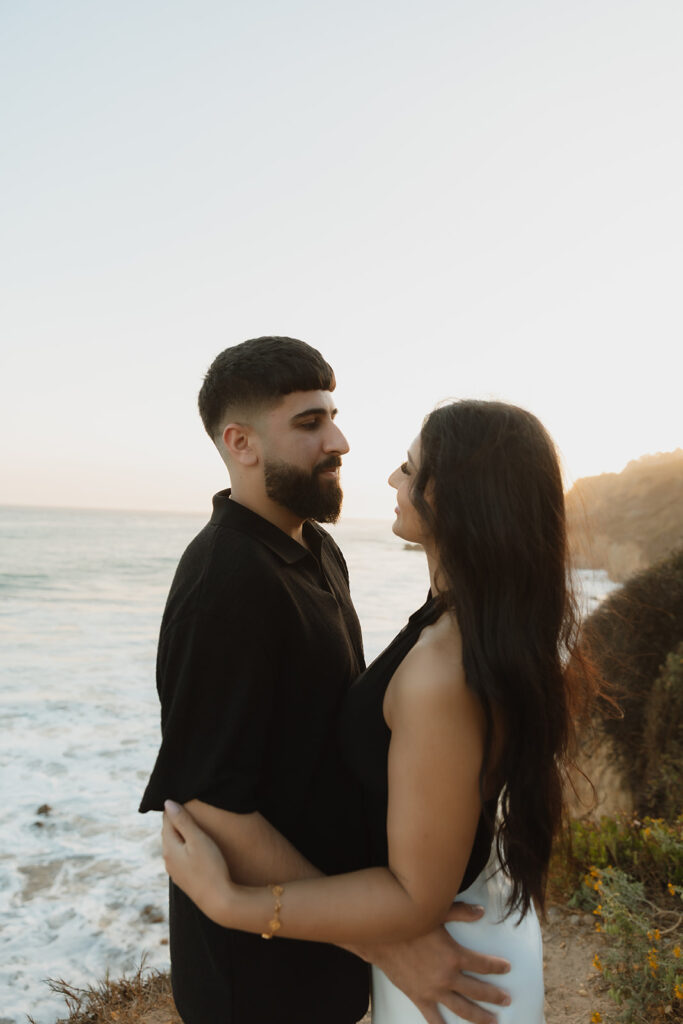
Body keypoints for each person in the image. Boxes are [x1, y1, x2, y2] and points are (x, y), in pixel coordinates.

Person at [161, 397, 595, 1023]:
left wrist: (231, 902)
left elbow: (415, 900)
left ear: (456, 497)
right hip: (471, 940)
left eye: (409, 468)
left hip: (460, 969)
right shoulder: (472, 623)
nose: (392, 479)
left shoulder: (441, 669)